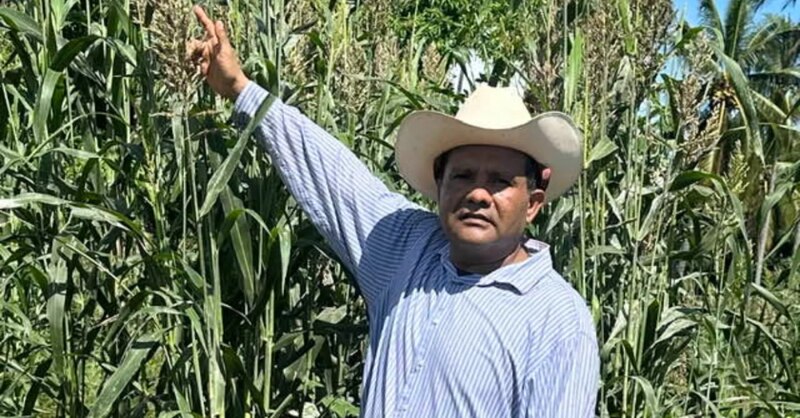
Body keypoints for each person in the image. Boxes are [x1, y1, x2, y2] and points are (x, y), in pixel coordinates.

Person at [188, 5, 599, 417]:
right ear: (439, 186)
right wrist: (241, 87)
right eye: (463, 176)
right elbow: (330, 173)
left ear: (533, 203)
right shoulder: (407, 250)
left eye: (499, 181)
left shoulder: (557, 320)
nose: (477, 194)